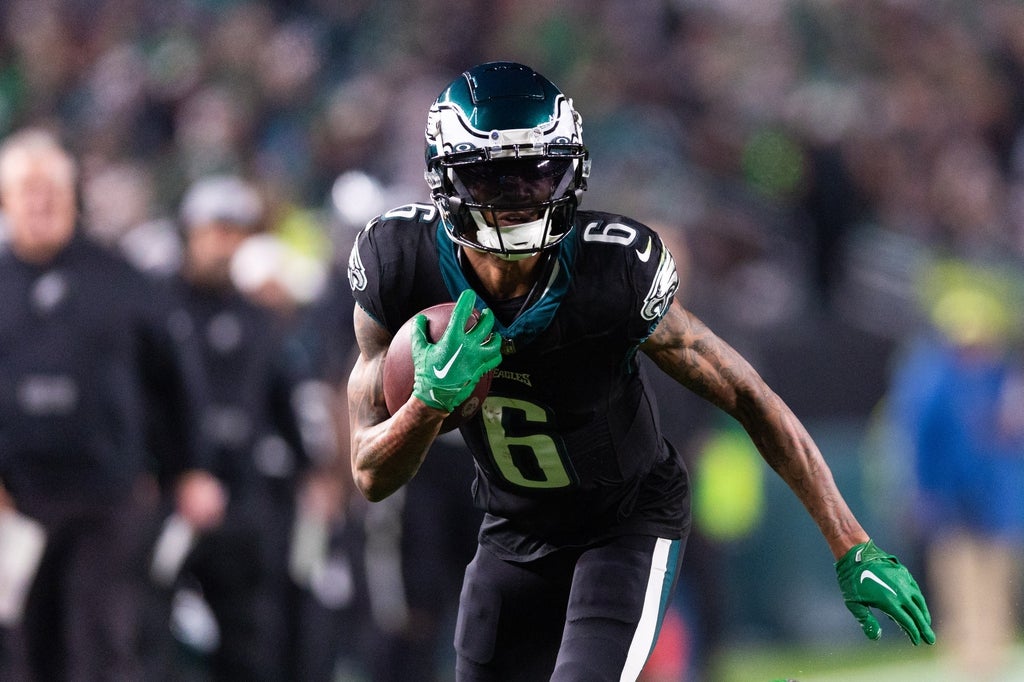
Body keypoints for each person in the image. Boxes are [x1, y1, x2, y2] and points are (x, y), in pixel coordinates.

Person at [344, 62, 934, 681]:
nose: (521, 194)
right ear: (447, 178)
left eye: (541, 171)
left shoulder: (612, 270)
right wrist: (427, 405)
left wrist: (851, 544)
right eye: (494, 176)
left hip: (625, 521)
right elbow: (370, 473)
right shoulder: (398, 262)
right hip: (512, 526)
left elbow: (745, 393)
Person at [0, 128, 227, 681]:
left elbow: (175, 381)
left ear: (73, 194)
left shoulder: (122, 279)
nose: (41, 199)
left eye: (52, 187)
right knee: (22, 648)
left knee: (99, 643)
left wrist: (191, 467)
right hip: (15, 500)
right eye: (26, 188)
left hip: (107, 495)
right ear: (5, 199)